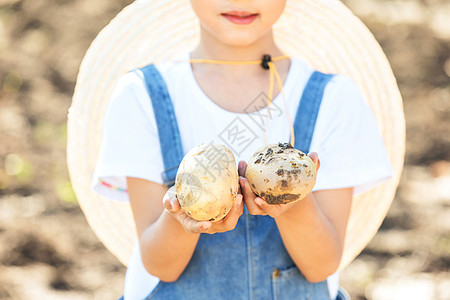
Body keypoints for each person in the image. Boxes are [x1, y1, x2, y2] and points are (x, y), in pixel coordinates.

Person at [91, 1, 393, 299]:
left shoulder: (334, 100)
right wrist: (183, 216)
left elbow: (321, 266)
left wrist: (292, 203)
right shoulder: (142, 97)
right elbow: (161, 266)